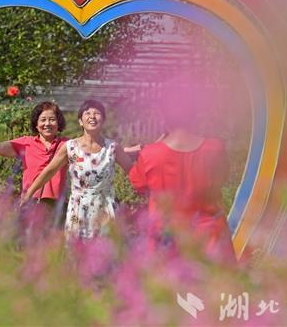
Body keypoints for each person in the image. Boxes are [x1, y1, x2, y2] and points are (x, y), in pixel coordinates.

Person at [128, 79, 235, 262]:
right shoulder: (215, 149)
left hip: (167, 241)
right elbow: (222, 177)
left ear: (163, 116)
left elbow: (138, 184)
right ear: (195, 115)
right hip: (211, 240)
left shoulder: (150, 154)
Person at [21, 100, 141, 240]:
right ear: (80, 121)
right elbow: (49, 171)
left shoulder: (113, 148)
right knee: (77, 249)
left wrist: (152, 192)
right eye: (87, 113)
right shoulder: (71, 148)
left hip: (105, 208)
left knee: (105, 248)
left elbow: (133, 172)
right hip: (78, 210)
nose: (92, 116)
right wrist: (28, 194)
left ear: (103, 120)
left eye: (97, 113)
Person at [0, 101, 69, 208]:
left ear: (58, 123)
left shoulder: (67, 144)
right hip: (31, 203)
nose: (47, 124)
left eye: (52, 119)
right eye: (43, 120)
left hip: (58, 205)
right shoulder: (26, 143)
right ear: (36, 124)